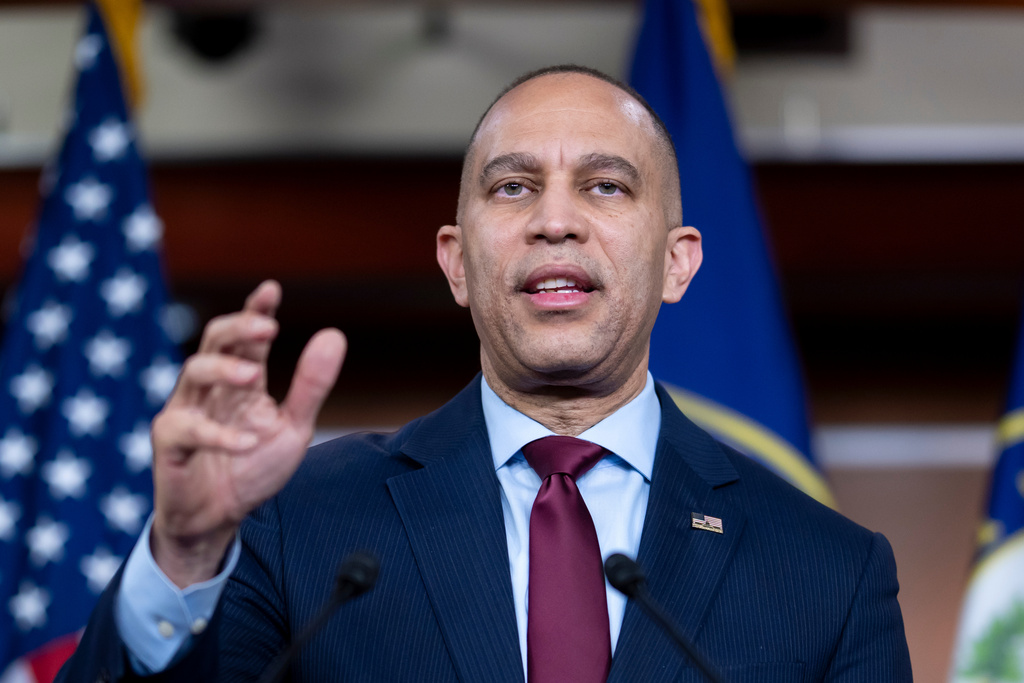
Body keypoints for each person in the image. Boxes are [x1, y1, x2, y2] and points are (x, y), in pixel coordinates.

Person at [59, 65, 912, 682]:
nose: (554, 221)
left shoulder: (829, 571)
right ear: (457, 262)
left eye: (606, 187)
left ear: (678, 263)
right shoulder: (294, 523)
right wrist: (185, 551)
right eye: (512, 187)